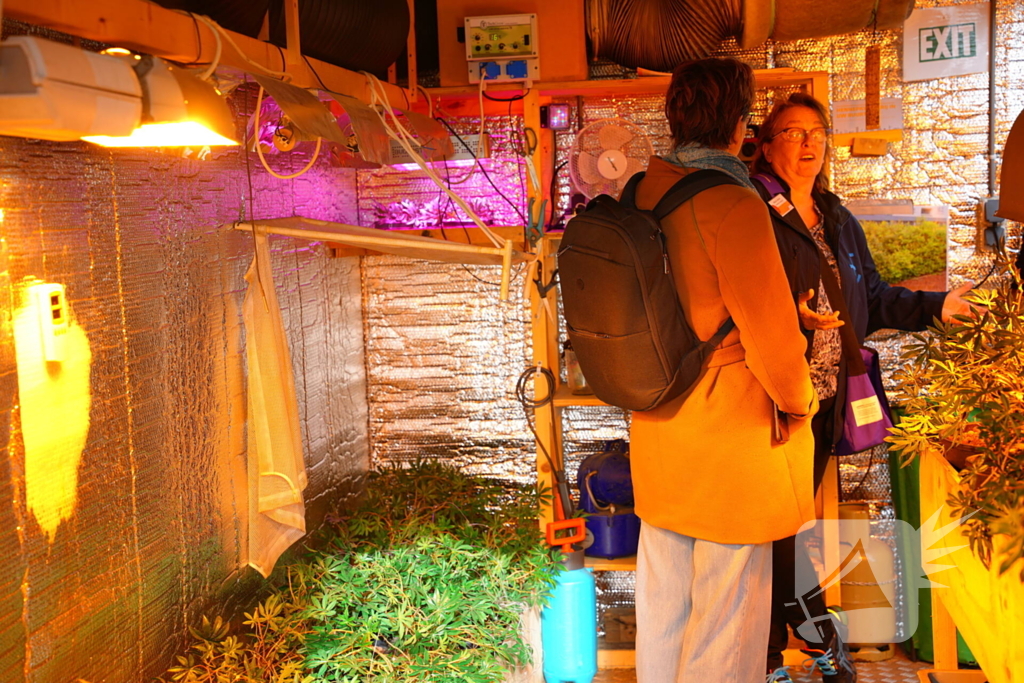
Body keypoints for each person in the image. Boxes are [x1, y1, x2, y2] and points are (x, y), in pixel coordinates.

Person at [750, 92, 977, 683]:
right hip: (770, 397)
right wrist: (794, 319)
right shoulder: (753, 210)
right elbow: (740, 301)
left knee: (790, 525)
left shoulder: (836, 217)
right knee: (774, 528)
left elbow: (871, 298)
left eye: (816, 132)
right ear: (766, 146)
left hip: (823, 399)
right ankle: (784, 649)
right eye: (793, 132)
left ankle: (802, 637)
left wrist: (937, 306)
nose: (808, 143)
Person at [629, 58, 819, 683]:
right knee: (727, 616)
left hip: (658, 422)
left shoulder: (644, 190)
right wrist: (801, 402)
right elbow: (772, 340)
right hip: (728, 436)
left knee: (664, 603)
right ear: (740, 124)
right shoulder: (733, 203)